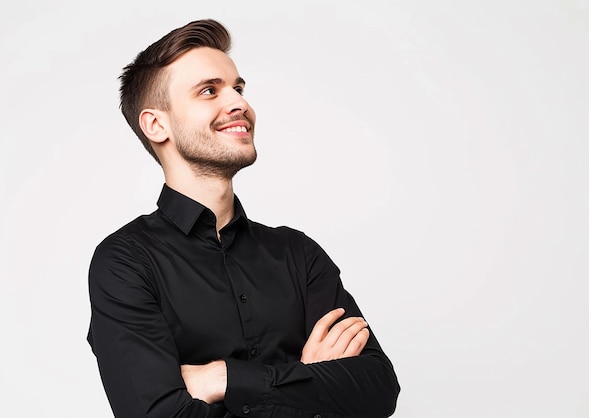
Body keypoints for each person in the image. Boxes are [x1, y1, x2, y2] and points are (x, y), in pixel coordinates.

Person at [87, 18, 400, 418]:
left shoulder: (298, 254)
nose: (239, 103)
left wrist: (222, 379)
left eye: (238, 88)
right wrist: (304, 377)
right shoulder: (124, 262)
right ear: (156, 124)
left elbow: (377, 390)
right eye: (208, 91)